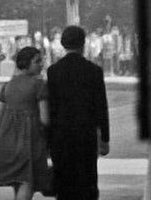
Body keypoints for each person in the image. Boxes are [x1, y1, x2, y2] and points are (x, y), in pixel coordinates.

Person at [46, 25, 110, 200]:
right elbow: (101, 107)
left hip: (61, 135)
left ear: (62, 44)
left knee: (64, 183)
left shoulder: (53, 71)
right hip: (85, 134)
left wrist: (47, 140)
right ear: (83, 43)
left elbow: (51, 108)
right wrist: (104, 138)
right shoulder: (94, 71)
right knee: (87, 180)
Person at [0, 47, 52, 200]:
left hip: (7, 139)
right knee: (27, 181)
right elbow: (45, 119)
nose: (41, 64)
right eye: (37, 61)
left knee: (18, 182)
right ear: (26, 63)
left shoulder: (7, 86)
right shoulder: (39, 85)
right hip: (30, 140)